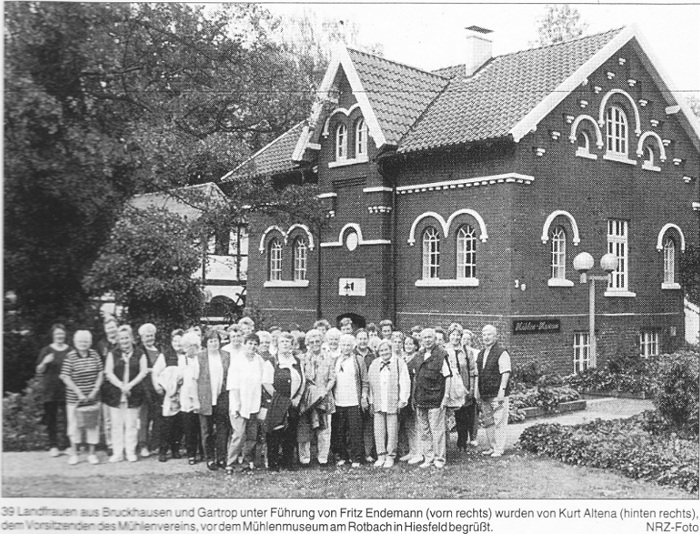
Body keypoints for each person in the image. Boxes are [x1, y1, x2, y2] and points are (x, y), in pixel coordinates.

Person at [226, 333, 273, 474]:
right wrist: (237, 404)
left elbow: (263, 381)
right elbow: (233, 384)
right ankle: (231, 462)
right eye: (249, 343)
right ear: (244, 344)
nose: (252, 346)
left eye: (255, 344)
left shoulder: (259, 361)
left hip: (254, 404)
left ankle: (247, 462)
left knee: (252, 436)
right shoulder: (237, 360)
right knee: (239, 434)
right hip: (239, 404)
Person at [103, 325, 149, 463]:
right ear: (118, 339)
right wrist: (121, 386)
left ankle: (130, 452)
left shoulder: (140, 353)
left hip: (134, 393)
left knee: (132, 424)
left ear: (131, 338)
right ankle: (118, 453)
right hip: (115, 394)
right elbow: (108, 372)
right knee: (116, 425)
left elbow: (143, 372)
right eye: (121, 338)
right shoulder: (112, 354)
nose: (124, 340)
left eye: (126, 337)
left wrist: (130, 385)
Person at [59, 330, 103, 465]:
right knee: (74, 426)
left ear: (89, 342)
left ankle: (91, 454)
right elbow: (65, 376)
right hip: (75, 399)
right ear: (75, 342)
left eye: (85, 341)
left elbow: (101, 373)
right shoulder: (70, 356)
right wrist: (78, 392)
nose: (83, 344)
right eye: (80, 341)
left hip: (93, 398)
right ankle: (74, 454)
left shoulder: (95, 355)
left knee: (92, 426)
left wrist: (95, 390)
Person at [413, 328, 451, 469]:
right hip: (420, 398)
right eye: (424, 338)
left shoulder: (441, 355)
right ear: (421, 340)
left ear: (434, 339)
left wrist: (445, 397)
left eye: (430, 337)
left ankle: (439, 459)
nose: (427, 340)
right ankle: (428, 458)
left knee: (437, 431)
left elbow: (448, 377)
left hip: (436, 398)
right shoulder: (419, 355)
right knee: (424, 431)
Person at [368, 340, 410, 468]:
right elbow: (370, 384)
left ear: (390, 350)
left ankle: (391, 456)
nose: (384, 352)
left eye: (386, 350)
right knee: (379, 430)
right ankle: (381, 455)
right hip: (379, 401)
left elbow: (405, 382)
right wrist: (371, 400)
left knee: (392, 431)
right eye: (381, 350)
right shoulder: (375, 364)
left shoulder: (399, 363)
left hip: (392, 401)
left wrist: (403, 399)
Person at [297, 329, 336, 467]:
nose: (315, 344)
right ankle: (304, 458)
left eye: (317, 341)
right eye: (312, 342)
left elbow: (332, 378)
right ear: (307, 343)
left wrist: (325, 390)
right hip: (307, 398)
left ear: (321, 342)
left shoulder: (329, 358)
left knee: (324, 429)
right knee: (305, 427)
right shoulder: (302, 358)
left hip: (324, 397)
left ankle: (323, 457)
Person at [266, 332, 305, 471]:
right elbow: (266, 383)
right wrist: (281, 400)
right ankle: (273, 463)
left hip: (294, 402)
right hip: (278, 402)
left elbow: (303, 381)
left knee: (291, 432)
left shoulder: (297, 361)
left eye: (288, 342)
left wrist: (298, 397)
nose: (285, 344)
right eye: (282, 341)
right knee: (275, 432)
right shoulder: (272, 361)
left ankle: (288, 462)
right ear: (277, 344)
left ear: (292, 345)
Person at [151, 329, 188, 462]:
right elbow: (155, 372)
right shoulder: (165, 356)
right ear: (171, 342)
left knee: (179, 423)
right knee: (166, 423)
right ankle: (163, 450)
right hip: (168, 396)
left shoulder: (186, 355)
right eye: (175, 341)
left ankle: (175, 449)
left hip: (182, 395)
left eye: (180, 341)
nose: (177, 343)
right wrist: (157, 386)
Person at [475, 324, 512, 458]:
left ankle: (499, 448)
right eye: (484, 335)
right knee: (488, 422)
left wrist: (502, 390)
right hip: (485, 394)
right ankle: (492, 447)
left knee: (499, 421)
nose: (486, 337)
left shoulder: (502, 352)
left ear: (496, 336)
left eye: (489, 334)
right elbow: (479, 374)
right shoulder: (481, 353)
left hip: (498, 394)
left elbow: (505, 372)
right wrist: (478, 392)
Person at [332, 334, 368, 468]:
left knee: (355, 431)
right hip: (338, 401)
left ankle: (356, 458)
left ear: (353, 346)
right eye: (343, 345)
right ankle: (343, 456)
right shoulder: (335, 360)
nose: (346, 348)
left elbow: (365, 381)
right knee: (340, 431)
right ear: (340, 346)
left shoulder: (358, 360)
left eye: (348, 345)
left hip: (353, 401)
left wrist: (364, 397)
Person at [36, 323, 72, 457]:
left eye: (62, 333)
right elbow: (38, 370)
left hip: (67, 389)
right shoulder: (46, 350)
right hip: (50, 390)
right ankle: (53, 445)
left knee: (68, 419)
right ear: (53, 335)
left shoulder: (70, 350)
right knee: (51, 419)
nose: (60, 336)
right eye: (57, 334)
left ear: (65, 335)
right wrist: (45, 362)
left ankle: (68, 445)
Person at [197, 329, 231, 470]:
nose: (213, 343)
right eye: (210, 341)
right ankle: (210, 458)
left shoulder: (226, 355)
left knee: (223, 430)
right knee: (207, 431)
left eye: (216, 341)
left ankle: (221, 459)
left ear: (219, 341)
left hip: (222, 397)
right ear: (206, 343)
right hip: (205, 398)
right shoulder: (200, 357)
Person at [445, 323, 472, 451]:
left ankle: (462, 443)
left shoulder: (466, 351)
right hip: (449, 388)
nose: (455, 337)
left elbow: (472, 371)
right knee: (446, 417)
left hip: (463, 389)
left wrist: (471, 389)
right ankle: (444, 445)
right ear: (449, 336)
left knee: (462, 417)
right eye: (453, 334)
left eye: (458, 335)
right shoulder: (444, 350)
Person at [137, 323, 161, 458]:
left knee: (158, 418)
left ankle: (155, 445)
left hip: (157, 389)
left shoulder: (158, 350)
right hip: (144, 389)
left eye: (152, 335)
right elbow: (142, 369)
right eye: (147, 336)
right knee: (144, 419)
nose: (150, 338)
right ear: (142, 337)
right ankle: (143, 445)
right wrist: (156, 371)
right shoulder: (140, 351)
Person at [96, 316, 119, 453]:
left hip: (121, 382)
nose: (111, 330)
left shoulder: (122, 341)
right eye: (108, 327)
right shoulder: (101, 344)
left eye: (113, 326)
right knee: (108, 417)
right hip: (107, 385)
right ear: (105, 329)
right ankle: (110, 444)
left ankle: (120, 441)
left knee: (121, 415)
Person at [398, 334, 422, 463]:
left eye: (411, 344)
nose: (408, 346)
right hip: (404, 395)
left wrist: (414, 397)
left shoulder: (417, 358)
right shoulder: (402, 358)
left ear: (416, 346)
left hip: (414, 394)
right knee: (409, 425)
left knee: (417, 425)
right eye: (406, 344)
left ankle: (419, 452)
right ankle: (412, 451)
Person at [355, 329, 376, 463]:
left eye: (364, 338)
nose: (362, 341)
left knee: (369, 425)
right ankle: (356, 452)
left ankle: (368, 452)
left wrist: (369, 397)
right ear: (356, 340)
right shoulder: (351, 354)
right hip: (354, 394)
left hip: (371, 393)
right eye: (360, 339)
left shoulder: (373, 356)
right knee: (355, 426)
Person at [461, 329, 480, 447]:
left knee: (473, 412)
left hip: (473, 383)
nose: (466, 341)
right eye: (464, 339)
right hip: (462, 386)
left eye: (468, 339)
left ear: (471, 341)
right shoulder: (457, 351)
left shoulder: (476, 352)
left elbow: (476, 372)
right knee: (462, 413)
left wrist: (475, 389)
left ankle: (473, 437)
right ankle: (462, 438)